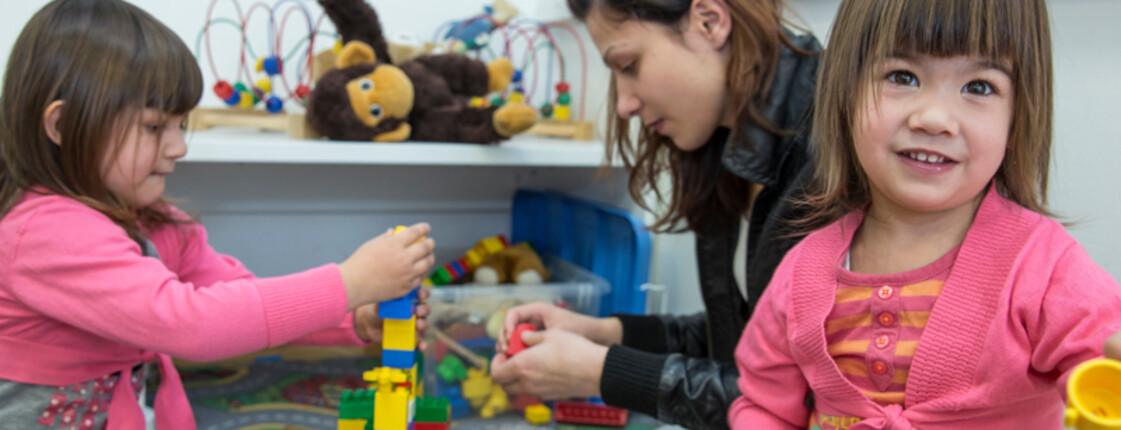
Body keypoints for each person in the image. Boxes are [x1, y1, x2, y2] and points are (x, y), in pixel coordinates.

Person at [0, 0, 436, 428]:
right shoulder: (42, 233)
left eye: (180, 125)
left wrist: (353, 316)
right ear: (62, 125)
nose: (178, 148)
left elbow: (240, 300)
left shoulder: (155, 221)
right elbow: (195, 324)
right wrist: (350, 282)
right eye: (155, 127)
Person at [728, 0, 1121, 428]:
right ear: (846, 94)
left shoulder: (1047, 269)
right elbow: (763, 408)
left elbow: (1102, 372)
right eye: (902, 77)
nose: (935, 119)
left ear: (1019, 116)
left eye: (979, 87)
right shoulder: (801, 271)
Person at [488, 0, 820, 427]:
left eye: (628, 65)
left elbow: (797, 400)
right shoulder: (726, 147)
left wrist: (601, 370)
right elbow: (744, 339)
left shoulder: (830, 150)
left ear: (709, 21)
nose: (624, 104)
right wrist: (602, 333)